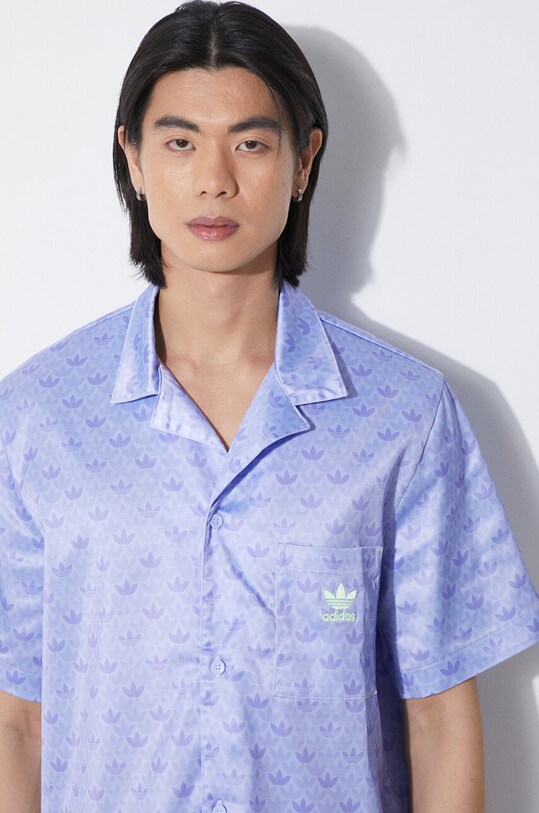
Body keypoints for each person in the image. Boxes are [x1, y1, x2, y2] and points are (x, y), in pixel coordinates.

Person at [0, 2, 538, 811]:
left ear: (303, 160)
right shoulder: (37, 416)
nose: (214, 179)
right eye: (180, 142)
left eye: (250, 143)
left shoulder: (404, 416)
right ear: (133, 158)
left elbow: (437, 717)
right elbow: (17, 721)